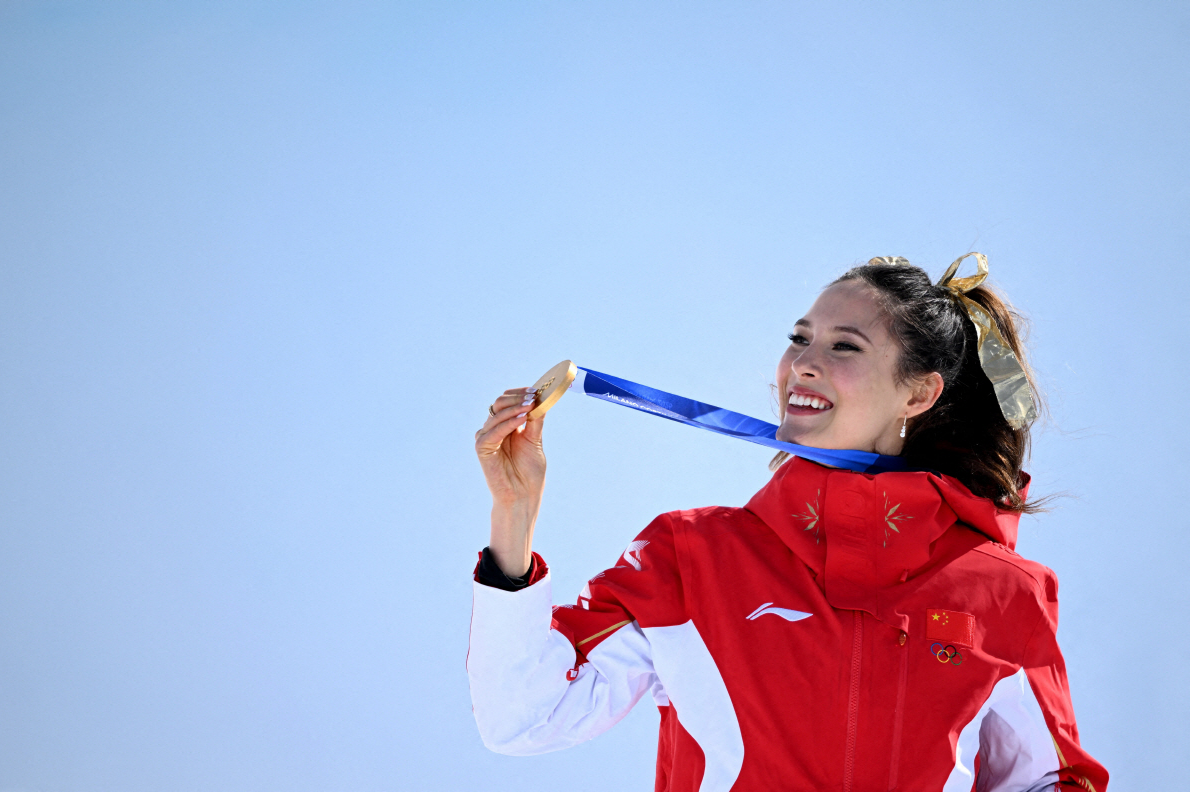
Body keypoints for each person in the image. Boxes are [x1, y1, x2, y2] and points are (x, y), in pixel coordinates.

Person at [467, 255, 1108, 792]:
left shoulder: (1004, 592)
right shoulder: (692, 556)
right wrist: (513, 516)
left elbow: (1048, 780)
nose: (802, 362)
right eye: (799, 339)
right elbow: (526, 717)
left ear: (918, 394)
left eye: (843, 346)